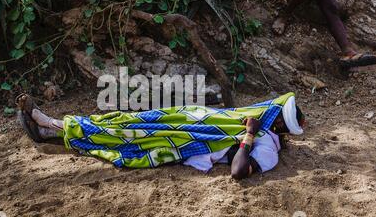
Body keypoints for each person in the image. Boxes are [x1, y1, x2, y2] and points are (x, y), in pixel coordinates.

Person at [16, 92, 306, 180]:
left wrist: (248, 135)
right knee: (125, 121)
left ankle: (52, 127)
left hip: (185, 143)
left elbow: (238, 172)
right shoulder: (261, 119)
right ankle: (52, 129)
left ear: (281, 125)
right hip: (183, 120)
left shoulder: (267, 148)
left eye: (277, 112)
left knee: (127, 139)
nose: (271, 108)